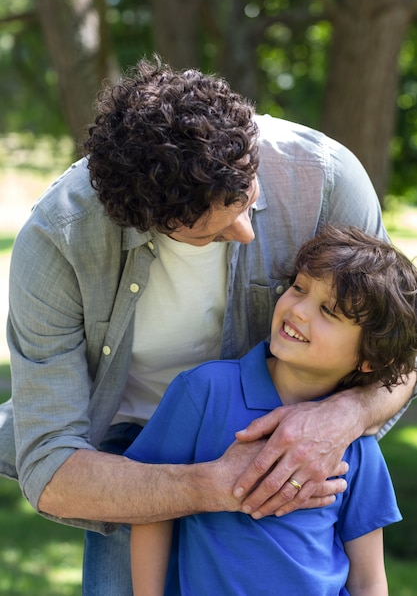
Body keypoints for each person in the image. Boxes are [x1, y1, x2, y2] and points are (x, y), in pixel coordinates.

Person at [0, 57, 415, 596]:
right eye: (209, 233)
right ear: (146, 221)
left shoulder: (326, 177)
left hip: (274, 414)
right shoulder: (59, 239)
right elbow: (50, 467)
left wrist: (342, 416)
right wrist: (218, 484)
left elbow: (397, 350)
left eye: (248, 198)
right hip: (126, 451)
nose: (245, 232)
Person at [125, 225, 417, 596]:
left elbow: (369, 578)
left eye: (328, 311)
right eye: (299, 287)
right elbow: (154, 510)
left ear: (369, 359)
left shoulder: (355, 445)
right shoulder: (204, 392)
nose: (298, 310)